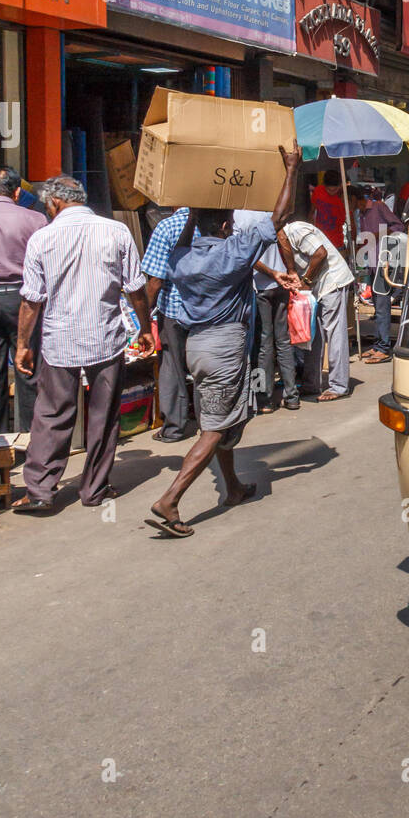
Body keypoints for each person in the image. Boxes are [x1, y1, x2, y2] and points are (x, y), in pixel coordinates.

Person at [147, 146, 301, 538]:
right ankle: (171, 499)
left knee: (225, 417)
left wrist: (195, 211)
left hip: (196, 348)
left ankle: (232, 486)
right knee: (214, 428)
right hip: (224, 349)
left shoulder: (182, 258)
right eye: (230, 220)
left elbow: (185, 238)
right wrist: (291, 169)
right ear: (226, 225)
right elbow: (279, 217)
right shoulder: (232, 252)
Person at [12, 176, 155, 513]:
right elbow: (136, 288)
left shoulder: (42, 239)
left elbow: (31, 301)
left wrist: (22, 345)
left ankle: (40, 491)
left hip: (59, 340)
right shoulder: (116, 231)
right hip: (105, 338)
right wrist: (145, 327)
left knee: (51, 414)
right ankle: (95, 489)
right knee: (104, 415)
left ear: (55, 203)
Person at [0, 165, 46, 434]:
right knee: (28, 368)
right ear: (17, 193)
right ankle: (31, 444)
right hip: (25, 302)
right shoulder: (36, 220)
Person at [278, 218, 354, 401]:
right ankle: (312, 383)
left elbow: (320, 253)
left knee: (334, 333)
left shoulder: (296, 230)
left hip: (332, 281)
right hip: (318, 286)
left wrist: (306, 281)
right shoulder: (283, 238)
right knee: (314, 334)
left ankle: (339, 386)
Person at [234, 209, 299, 413]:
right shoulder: (266, 211)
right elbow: (283, 239)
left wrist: (273, 273)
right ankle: (292, 396)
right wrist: (290, 271)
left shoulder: (236, 216)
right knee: (283, 342)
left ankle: (264, 399)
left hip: (260, 286)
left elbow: (245, 257)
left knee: (262, 345)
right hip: (279, 284)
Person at [142, 207, 198, 442]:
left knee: (172, 367)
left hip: (174, 310)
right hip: (207, 309)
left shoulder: (166, 227)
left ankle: (174, 427)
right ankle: (211, 424)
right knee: (202, 366)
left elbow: (155, 280)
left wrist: (143, 320)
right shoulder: (214, 224)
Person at [349, 185, 405, 364]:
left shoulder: (379, 207)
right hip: (372, 264)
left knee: (382, 307)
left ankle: (384, 348)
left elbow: (398, 226)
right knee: (377, 306)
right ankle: (378, 343)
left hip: (384, 262)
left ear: (355, 198)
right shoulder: (361, 214)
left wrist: (374, 235)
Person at [310, 169, 348, 250]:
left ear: (340, 186)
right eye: (328, 190)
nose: (331, 192)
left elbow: (343, 221)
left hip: (336, 244)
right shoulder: (318, 191)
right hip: (319, 242)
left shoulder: (343, 199)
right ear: (324, 185)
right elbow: (312, 211)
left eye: (334, 190)